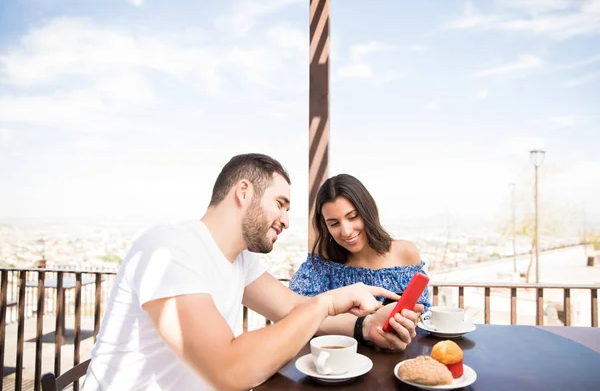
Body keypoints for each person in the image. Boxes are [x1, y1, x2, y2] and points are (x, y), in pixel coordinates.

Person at [84, 153, 421, 391]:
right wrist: (326, 303)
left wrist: (367, 326)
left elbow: (291, 308)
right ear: (243, 192)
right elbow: (230, 372)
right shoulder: (169, 247)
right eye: (280, 204)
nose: (287, 221)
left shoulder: (240, 262)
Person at [290, 173, 431, 329]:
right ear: (325, 226)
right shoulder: (323, 258)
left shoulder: (406, 252)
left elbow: (422, 313)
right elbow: (294, 309)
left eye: (353, 217)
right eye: (334, 224)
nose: (346, 231)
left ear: (368, 212)